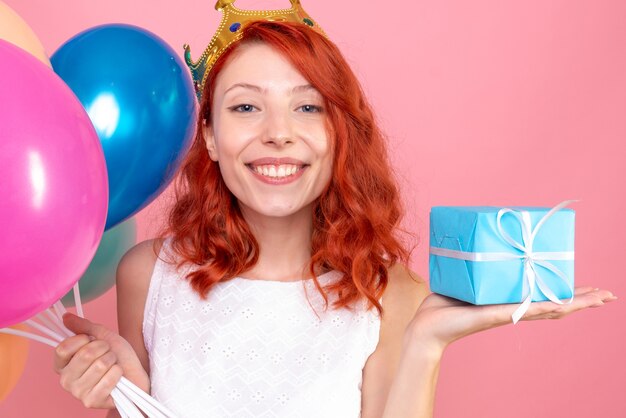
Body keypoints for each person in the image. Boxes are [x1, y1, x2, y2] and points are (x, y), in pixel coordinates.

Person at [52, 5, 616, 418]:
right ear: (211, 136)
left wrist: (428, 342)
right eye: (246, 106)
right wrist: (118, 396)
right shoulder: (148, 274)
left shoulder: (390, 293)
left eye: (307, 106)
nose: (278, 134)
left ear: (338, 133)